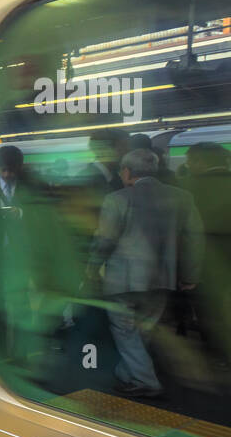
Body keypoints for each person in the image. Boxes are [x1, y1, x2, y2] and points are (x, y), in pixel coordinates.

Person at [85, 148, 204, 398]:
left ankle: (145, 380)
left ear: (126, 172)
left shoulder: (117, 199)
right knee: (143, 330)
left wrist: (92, 269)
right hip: (163, 280)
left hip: (124, 282)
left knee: (125, 331)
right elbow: (195, 239)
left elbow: (105, 241)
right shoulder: (182, 197)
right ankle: (127, 373)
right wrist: (190, 275)